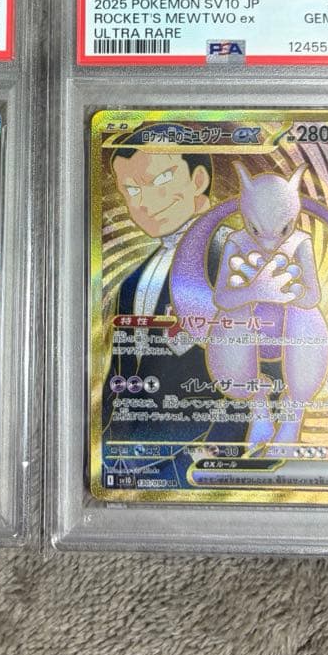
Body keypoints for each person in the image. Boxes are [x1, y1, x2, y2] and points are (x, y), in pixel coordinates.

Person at [102, 124, 246, 488]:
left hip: (201, 461)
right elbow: (120, 374)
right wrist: (102, 447)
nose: (144, 202)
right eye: (132, 190)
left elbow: (259, 368)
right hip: (129, 460)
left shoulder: (234, 258)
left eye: (162, 179)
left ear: (199, 180)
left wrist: (219, 455)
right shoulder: (134, 280)